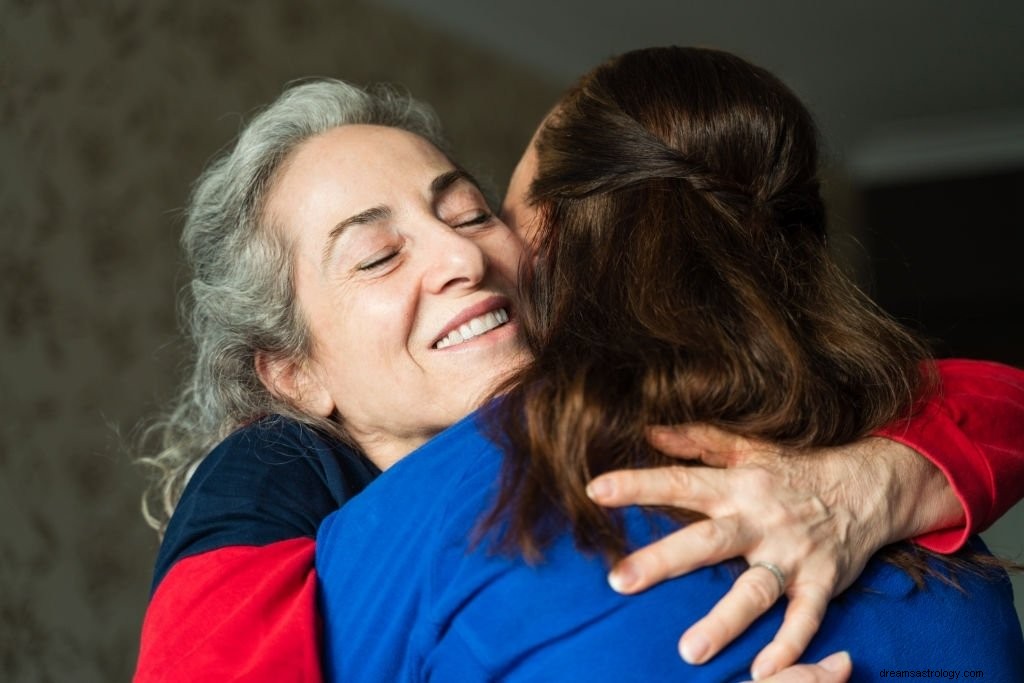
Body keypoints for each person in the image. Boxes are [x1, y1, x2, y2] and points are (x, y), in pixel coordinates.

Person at [133, 71, 1024, 681]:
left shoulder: (728, 423)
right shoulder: (270, 496)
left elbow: (983, 396)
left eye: (473, 211)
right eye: (375, 256)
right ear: (292, 373)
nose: (458, 255)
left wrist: (873, 476)